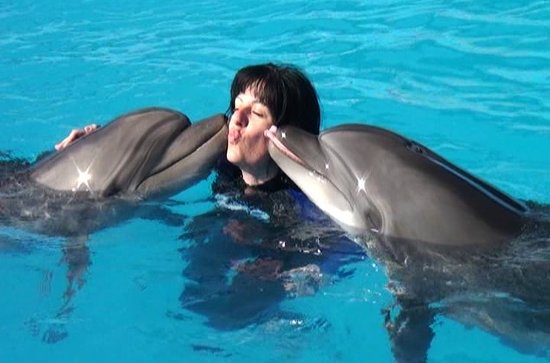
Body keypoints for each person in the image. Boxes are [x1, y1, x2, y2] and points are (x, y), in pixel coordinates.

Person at [55, 63, 321, 192]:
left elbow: (335, 251)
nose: (235, 119)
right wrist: (90, 145)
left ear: (284, 135)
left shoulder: (296, 204)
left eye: (257, 113)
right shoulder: (223, 165)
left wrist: (296, 274)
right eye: (236, 105)